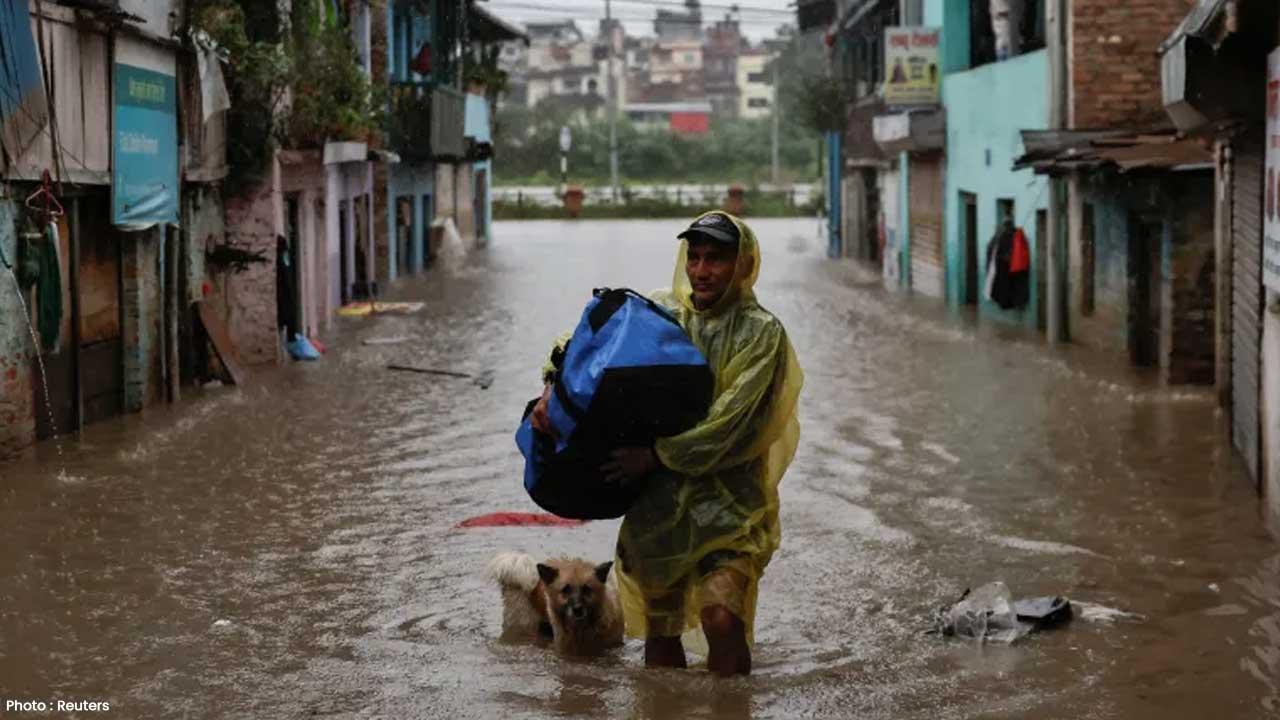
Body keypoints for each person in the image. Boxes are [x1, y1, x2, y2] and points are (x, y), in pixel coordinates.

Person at [530, 211, 803, 676]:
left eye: (716, 259)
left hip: (730, 508)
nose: (701, 270)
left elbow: (730, 425)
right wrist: (552, 385)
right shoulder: (661, 312)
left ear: (743, 264)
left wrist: (655, 455)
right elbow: (581, 341)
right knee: (660, 636)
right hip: (657, 508)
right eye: (694, 257)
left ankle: (732, 709)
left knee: (721, 618)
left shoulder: (762, 333)